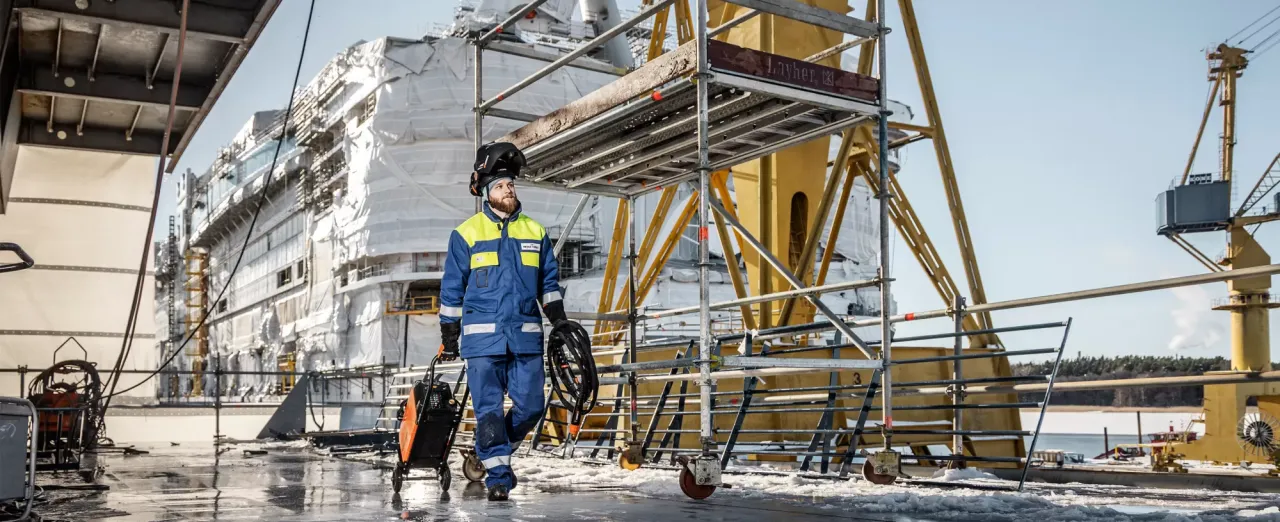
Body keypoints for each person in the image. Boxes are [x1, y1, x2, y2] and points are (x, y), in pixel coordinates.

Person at [438, 141, 567, 501]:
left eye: (511, 184)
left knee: (531, 407)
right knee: (490, 412)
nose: (509, 190)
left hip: (525, 338)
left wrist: (560, 321)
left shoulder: (535, 232)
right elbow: (452, 291)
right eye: (501, 185)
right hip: (482, 343)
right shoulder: (466, 234)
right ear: (486, 193)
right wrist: (449, 334)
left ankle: (490, 450)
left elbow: (549, 285)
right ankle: (498, 478)